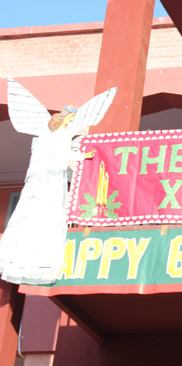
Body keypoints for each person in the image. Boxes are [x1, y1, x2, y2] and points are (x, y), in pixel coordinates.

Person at [0, 79, 116, 285]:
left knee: (51, 209)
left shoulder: (63, 134)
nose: (69, 121)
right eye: (68, 118)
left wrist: (79, 155)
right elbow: (55, 154)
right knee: (39, 209)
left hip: (54, 178)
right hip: (45, 177)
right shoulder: (49, 136)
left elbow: (62, 153)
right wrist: (79, 156)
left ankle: (40, 256)